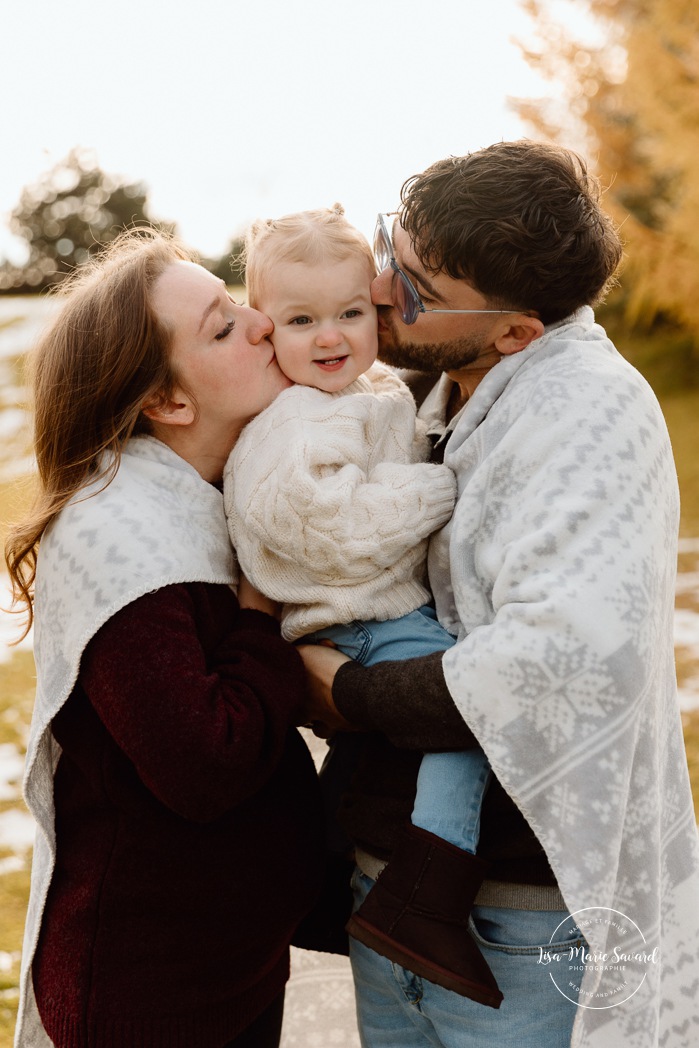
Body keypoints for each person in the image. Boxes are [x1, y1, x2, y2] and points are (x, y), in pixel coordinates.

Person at [297, 141, 699, 1048]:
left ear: (516, 331)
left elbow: (554, 659)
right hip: (383, 886)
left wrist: (344, 695)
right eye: (389, 246)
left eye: (417, 286)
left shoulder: (588, 413)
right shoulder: (415, 387)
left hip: (517, 921)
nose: (382, 281)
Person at [4, 229, 325, 1048]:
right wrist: (258, 619)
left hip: (230, 967)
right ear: (168, 403)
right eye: (221, 327)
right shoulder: (119, 537)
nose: (261, 324)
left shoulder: (218, 496)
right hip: (147, 1002)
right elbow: (203, 765)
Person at [223, 206, 503, 1006]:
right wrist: (438, 487)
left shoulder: (360, 391)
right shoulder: (301, 416)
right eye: (300, 320)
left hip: (366, 605)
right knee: (461, 719)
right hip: (355, 612)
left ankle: (325, 873)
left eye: (350, 313)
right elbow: (321, 522)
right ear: (261, 326)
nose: (330, 336)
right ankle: (427, 890)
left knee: (370, 756)